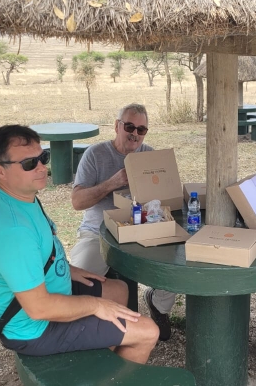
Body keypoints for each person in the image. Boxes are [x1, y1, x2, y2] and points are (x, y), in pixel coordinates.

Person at [0, 125, 158, 362]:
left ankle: (99, 365)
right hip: (35, 327)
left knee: (118, 290)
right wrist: (95, 306)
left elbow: (34, 256)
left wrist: (67, 270)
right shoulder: (12, 231)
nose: (41, 168)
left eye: (43, 157)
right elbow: (39, 309)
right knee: (148, 331)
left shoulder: (16, 197)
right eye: (29, 163)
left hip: (49, 289)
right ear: (0, 170)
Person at [70, 103, 178, 341]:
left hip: (141, 228)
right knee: (83, 274)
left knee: (176, 262)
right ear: (117, 126)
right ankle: (81, 327)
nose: (135, 134)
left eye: (142, 130)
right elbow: (77, 202)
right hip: (99, 230)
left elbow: (165, 196)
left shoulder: (149, 155)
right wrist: (112, 183)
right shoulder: (95, 154)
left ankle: (158, 305)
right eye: (130, 126)